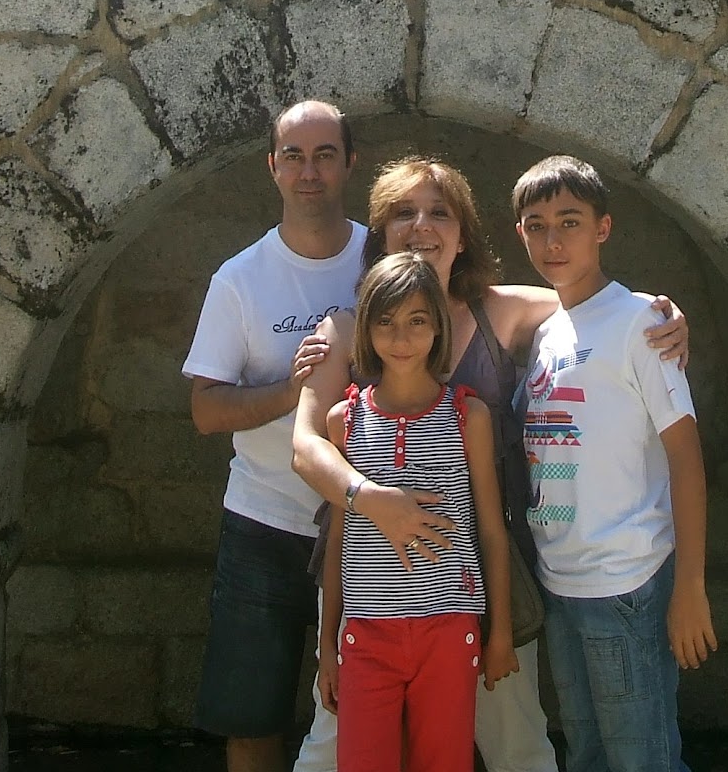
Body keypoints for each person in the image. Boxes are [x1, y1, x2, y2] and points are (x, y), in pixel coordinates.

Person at [291, 155, 690, 772]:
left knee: (515, 740)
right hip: (369, 570)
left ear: (463, 234)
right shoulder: (346, 327)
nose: (422, 226)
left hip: (479, 570)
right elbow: (306, 445)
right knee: (331, 747)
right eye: (403, 212)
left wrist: (663, 315)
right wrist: (376, 502)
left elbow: (596, 303)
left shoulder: (501, 310)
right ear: (380, 232)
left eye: (439, 213)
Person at [513, 155, 716, 772]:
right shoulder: (548, 333)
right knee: (589, 756)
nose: (553, 240)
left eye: (569, 222)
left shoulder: (640, 323)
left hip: (627, 579)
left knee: (642, 760)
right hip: (561, 579)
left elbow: (685, 458)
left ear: (603, 227)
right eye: (537, 225)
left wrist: (691, 587)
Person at [183, 100, 361, 772]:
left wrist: (640, 311)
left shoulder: (382, 260)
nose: (309, 172)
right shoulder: (240, 279)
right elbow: (205, 410)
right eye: (294, 156)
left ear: (350, 164)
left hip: (366, 525)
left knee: (367, 708)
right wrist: (293, 392)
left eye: (324, 155)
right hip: (264, 522)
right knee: (251, 714)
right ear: (273, 168)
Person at [317, 252, 518, 772]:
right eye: (385, 321)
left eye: (417, 321)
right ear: (366, 328)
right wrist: (327, 646)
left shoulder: (467, 415)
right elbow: (338, 541)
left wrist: (500, 633)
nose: (401, 337)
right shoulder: (345, 420)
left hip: (450, 630)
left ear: (438, 328)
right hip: (367, 634)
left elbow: (491, 531)